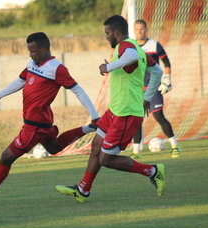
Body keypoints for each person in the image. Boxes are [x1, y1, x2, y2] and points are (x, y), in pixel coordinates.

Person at [0, 32, 100, 206]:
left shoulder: (56, 68)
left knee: (6, 157)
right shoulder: (32, 64)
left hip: (34, 127)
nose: (30, 54)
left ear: (43, 49)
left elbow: (77, 90)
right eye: (29, 50)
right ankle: (89, 128)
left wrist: (94, 114)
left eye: (33, 50)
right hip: (43, 123)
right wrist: (0, 94)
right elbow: (20, 81)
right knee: (55, 147)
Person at [56, 15, 166, 203]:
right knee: (96, 148)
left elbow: (131, 57)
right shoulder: (136, 49)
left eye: (107, 33)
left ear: (116, 32)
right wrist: (147, 97)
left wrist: (107, 67)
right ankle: (83, 190)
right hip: (115, 110)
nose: (106, 37)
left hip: (126, 114)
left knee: (105, 159)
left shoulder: (126, 47)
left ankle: (153, 171)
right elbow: (157, 71)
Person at [131, 19, 180, 159]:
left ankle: (175, 146)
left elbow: (166, 62)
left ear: (146, 30)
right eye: (137, 29)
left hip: (154, 87)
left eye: (142, 29)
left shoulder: (154, 45)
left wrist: (167, 80)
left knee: (158, 116)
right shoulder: (132, 46)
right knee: (136, 119)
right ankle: (135, 153)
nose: (139, 32)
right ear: (134, 31)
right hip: (138, 89)